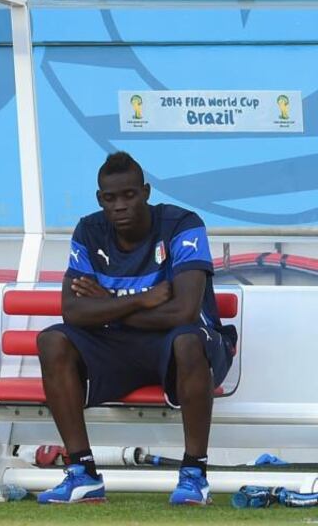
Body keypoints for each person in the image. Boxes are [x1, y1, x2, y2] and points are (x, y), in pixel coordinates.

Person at [36, 152, 236, 505]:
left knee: (188, 340)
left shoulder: (182, 224)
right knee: (52, 340)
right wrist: (140, 300)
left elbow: (183, 311)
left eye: (129, 195)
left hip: (184, 349)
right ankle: (83, 474)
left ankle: (194, 475)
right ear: (101, 200)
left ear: (145, 192)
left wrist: (107, 305)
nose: (120, 206)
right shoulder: (88, 230)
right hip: (121, 348)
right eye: (110, 198)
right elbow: (72, 312)